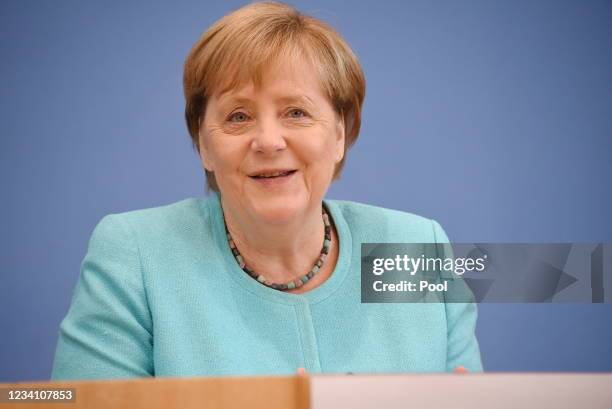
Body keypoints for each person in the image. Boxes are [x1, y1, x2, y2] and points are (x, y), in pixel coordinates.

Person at [51, 1, 482, 380]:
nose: (269, 141)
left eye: (296, 112)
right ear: (203, 142)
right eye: (238, 117)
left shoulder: (413, 247)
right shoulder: (137, 255)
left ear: (340, 135)